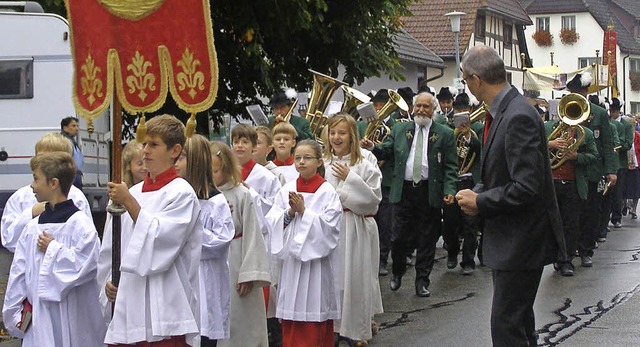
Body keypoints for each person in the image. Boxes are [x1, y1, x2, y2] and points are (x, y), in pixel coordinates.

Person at [456, 46, 564, 346]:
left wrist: (481, 202)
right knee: (518, 325)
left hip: (521, 242)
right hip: (513, 241)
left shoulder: (517, 115)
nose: (467, 87)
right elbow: (502, 175)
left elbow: (527, 187)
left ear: (477, 80)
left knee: (506, 329)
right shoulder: (507, 110)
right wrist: (477, 191)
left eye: (465, 80)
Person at [97, 114, 203, 347]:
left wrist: (129, 202)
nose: (145, 150)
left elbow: (161, 243)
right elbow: (113, 248)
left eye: (154, 145)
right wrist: (110, 280)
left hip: (164, 306)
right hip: (128, 304)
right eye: (144, 143)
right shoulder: (131, 193)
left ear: (174, 150)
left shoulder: (181, 193)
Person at [3, 152, 106, 346]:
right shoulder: (32, 228)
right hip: (40, 318)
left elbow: (87, 266)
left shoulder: (80, 225)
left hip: (75, 315)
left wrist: (53, 249)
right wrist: (15, 311)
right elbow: (19, 272)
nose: (32, 186)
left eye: (36, 178)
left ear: (53, 183)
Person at [361, 91, 457, 298]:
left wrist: (449, 190)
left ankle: (422, 281)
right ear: (413, 108)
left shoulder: (445, 133)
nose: (421, 110)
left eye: (426, 107)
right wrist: (372, 147)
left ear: (433, 110)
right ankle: (397, 272)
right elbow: (387, 150)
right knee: (398, 237)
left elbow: (450, 167)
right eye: (418, 106)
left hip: (428, 191)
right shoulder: (400, 128)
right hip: (403, 191)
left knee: (427, 239)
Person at [265, 139, 343, 347]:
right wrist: (289, 213)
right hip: (292, 264)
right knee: (292, 314)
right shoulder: (287, 189)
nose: (301, 162)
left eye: (307, 158)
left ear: (319, 162)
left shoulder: (327, 192)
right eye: (298, 158)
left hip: (315, 266)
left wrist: (304, 213)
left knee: (313, 315)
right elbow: (272, 221)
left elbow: (330, 229)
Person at [323, 114, 383, 344]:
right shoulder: (323, 162)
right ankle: (334, 328)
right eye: (333, 132)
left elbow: (373, 200)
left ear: (352, 136)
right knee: (334, 279)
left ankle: (356, 330)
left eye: (342, 133)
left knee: (355, 279)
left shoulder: (364, 164)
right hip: (330, 228)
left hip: (354, 227)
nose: (336, 137)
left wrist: (351, 179)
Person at [209, 141, 271, 347]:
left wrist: (249, 275)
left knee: (241, 323)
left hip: (236, 263)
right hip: (211, 265)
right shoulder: (203, 194)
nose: (212, 175)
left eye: (216, 170)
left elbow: (254, 234)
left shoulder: (242, 194)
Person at [175, 134, 235, 346]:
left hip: (206, 280)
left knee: (203, 334)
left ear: (194, 162)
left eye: (181, 158)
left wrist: (188, 231)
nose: (176, 163)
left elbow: (220, 242)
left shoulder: (216, 202)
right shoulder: (177, 197)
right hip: (181, 280)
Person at [1, 133, 91, 253]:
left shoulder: (76, 197)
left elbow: (86, 243)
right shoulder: (21, 197)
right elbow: (8, 239)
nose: (42, 164)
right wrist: (30, 214)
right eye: (39, 158)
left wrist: (54, 248)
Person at [567, 72, 617, 267]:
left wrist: (611, 170)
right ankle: (568, 252)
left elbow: (607, 143)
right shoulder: (566, 108)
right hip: (570, 171)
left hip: (592, 170)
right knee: (570, 214)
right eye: (573, 91)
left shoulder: (599, 113)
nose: (576, 94)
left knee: (590, 213)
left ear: (586, 91)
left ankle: (586, 249)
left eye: (579, 91)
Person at [546, 112, 598, 276]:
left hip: (573, 183)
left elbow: (594, 155)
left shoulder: (585, 133)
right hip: (551, 182)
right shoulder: (548, 128)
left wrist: (577, 156)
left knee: (571, 223)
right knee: (553, 222)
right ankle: (555, 255)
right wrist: (551, 144)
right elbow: (532, 146)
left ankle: (566, 260)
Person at [60, 116, 84, 190]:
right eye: (73, 126)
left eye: (77, 126)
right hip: (69, 175)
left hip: (76, 174)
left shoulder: (73, 141)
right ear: (65, 128)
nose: (77, 129)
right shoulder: (63, 141)